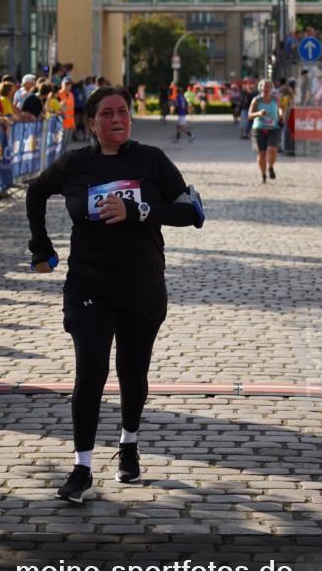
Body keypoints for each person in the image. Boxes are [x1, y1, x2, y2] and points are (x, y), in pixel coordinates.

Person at [26, 85, 204, 502]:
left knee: (132, 371)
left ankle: (128, 443)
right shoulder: (74, 165)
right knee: (90, 371)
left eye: (123, 111)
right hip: (88, 282)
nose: (117, 119)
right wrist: (41, 246)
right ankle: (82, 467)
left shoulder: (151, 160)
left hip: (142, 283)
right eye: (106, 114)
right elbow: (35, 192)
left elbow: (192, 213)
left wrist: (140, 210)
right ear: (90, 123)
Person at [248, 79, 281, 183]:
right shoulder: (256, 100)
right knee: (261, 154)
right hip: (259, 129)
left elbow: (280, 109)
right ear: (260, 88)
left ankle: (270, 167)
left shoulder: (276, 99)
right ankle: (263, 174)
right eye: (264, 86)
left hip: (273, 128)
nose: (266, 88)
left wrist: (281, 114)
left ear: (271, 88)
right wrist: (258, 113)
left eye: (268, 86)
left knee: (272, 150)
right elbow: (249, 115)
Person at [58, 77, 76, 152]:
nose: (67, 85)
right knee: (62, 141)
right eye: (66, 84)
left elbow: (72, 108)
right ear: (62, 84)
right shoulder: (58, 94)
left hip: (70, 120)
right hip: (62, 120)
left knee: (67, 142)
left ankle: (63, 155)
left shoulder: (71, 95)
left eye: (69, 84)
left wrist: (74, 122)